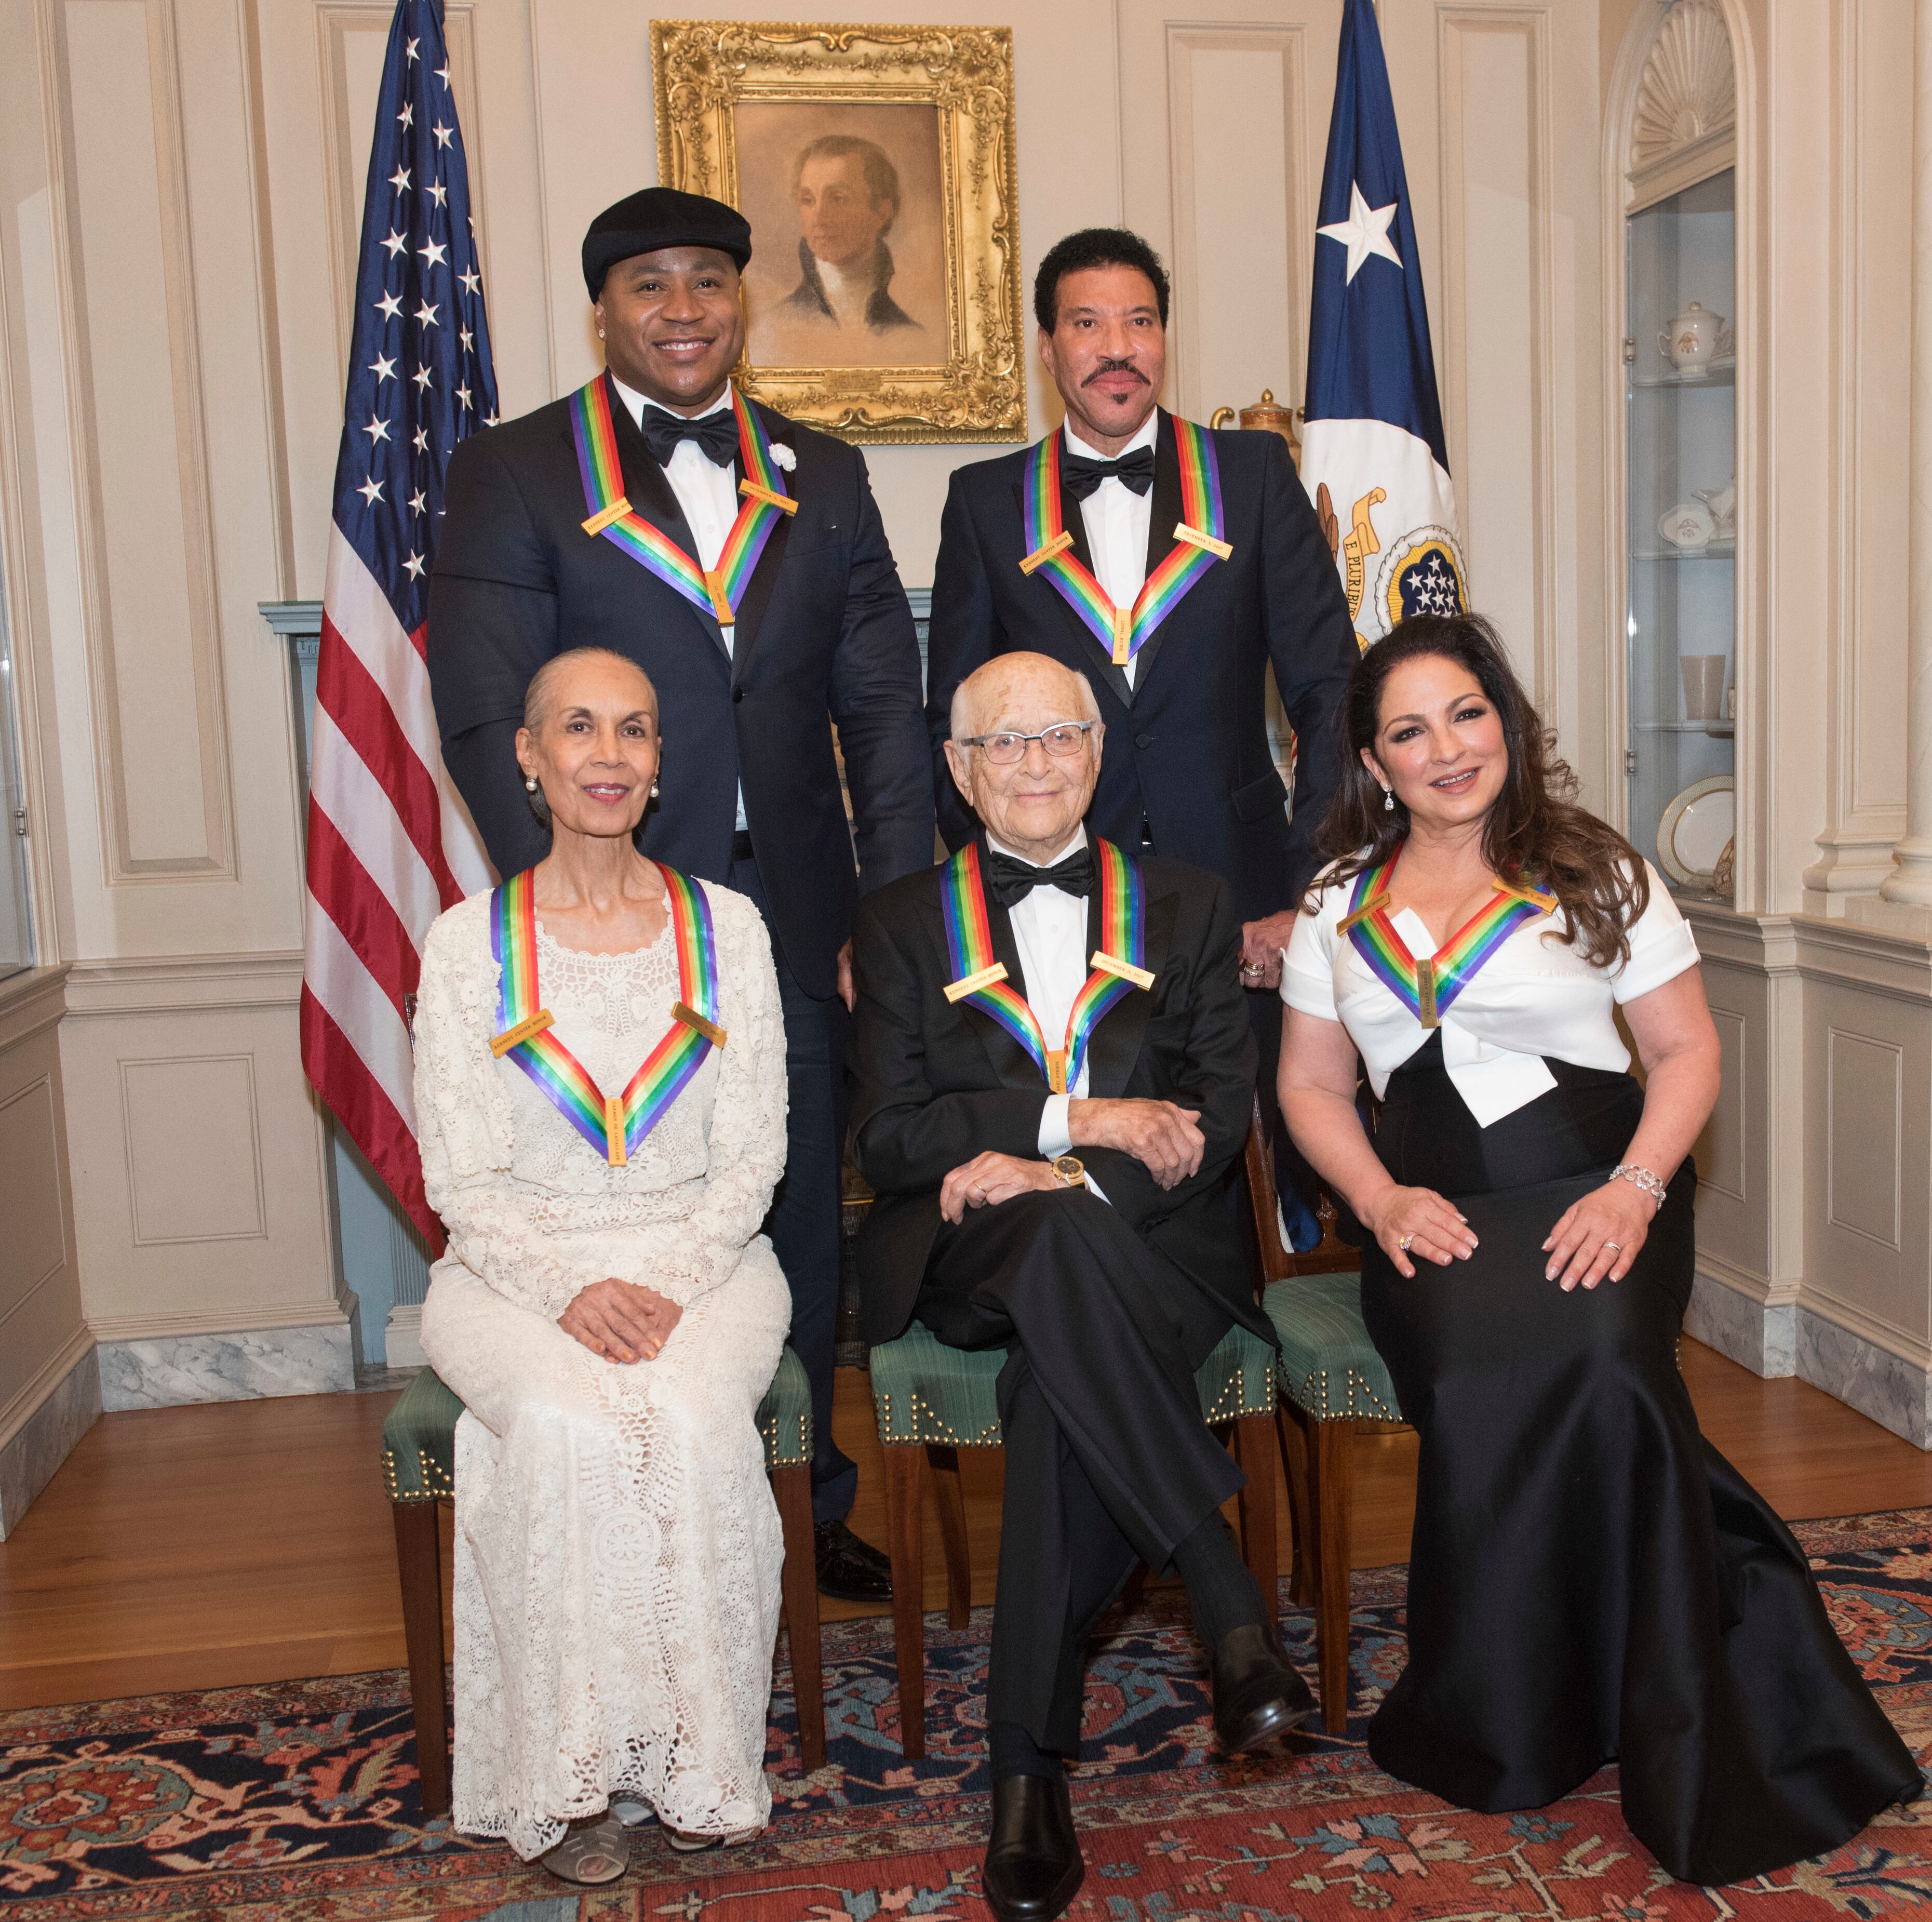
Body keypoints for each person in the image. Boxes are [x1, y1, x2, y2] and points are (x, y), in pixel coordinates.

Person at [1276, 613, 1923, 1886]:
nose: (1445, 747)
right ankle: (1511, 1710)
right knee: (1475, 1377)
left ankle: (1681, 1701)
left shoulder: (1596, 870)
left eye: (1465, 713)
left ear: (1504, 722)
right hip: (1434, 1212)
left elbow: (1684, 1055)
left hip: (1596, 1180)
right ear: (1373, 760)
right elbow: (1309, 1086)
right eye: (1408, 730)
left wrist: (1633, 1192)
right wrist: (1378, 1199)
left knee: (1607, 1367)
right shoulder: (1333, 904)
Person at [430, 185, 934, 1603]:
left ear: (741, 298)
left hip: (800, 914)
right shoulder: (518, 468)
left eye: (708, 280)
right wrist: (562, 917)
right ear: (605, 309)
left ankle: (804, 1484)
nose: (684, 309)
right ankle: (622, 1479)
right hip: (611, 921)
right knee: (621, 1190)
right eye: (650, 284)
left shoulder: (822, 475)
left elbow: (884, 708)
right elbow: (484, 712)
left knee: (793, 1201)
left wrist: (885, 920)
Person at [849, 651, 1316, 1922]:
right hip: (966, 1257)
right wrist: (1075, 1117)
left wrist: (1059, 1175)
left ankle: (1023, 1773)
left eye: (1058, 735)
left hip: (1149, 1248)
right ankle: (1222, 1598)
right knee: (1049, 1253)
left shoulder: (1192, 900)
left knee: (1065, 1369)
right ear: (957, 770)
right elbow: (886, 1137)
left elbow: (1220, 1118)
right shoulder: (897, 920)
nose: (1036, 763)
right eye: (1002, 744)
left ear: (1098, 752)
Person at [415, 648, 792, 1881]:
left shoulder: (726, 924)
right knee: (574, 1428)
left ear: (657, 758)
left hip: (709, 1256)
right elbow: (461, 1183)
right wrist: (566, 1288)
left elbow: (755, 1157)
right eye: (577, 728)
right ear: (528, 755)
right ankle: (570, 1780)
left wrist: (672, 1280)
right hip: (513, 1270)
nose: (608, 754)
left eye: (632, 729)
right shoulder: (467, 944)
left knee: (683, 1420)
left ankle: (695, 1759)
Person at [924, 226, 1359, 1245]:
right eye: (1087, 323)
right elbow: (950, 728)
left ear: (1165, 337)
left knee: (1266, 1191)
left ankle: (1265, 1393)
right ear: (1048, 348)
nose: (1117, 346)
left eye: (1140, 321)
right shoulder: (986, 505)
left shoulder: (1252, 476)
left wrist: (1306, 894)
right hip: (1061, 917)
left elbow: (1332, 693)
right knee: (1093, 1194)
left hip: (1248, 906)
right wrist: (978, 914)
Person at [778, 135, 921, 334]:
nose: (819, 218)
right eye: (808, 200)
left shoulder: (909, 334)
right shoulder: (778, 323)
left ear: (881, 211)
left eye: (838, 199)